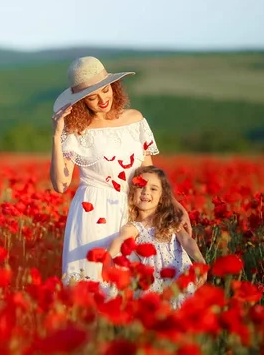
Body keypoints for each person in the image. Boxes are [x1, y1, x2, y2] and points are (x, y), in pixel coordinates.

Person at [50, 56, 192, 286]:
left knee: (140, 282)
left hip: (136, 208)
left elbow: (148, 172)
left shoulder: (135, 119)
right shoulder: (76, 131)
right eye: (92, 97)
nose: (102, 100)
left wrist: (173, 204)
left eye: (105, 90)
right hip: (94, 214)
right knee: (95, 281)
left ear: (113, 86)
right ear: (81, 101)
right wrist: (57, 136)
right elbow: (60, 185)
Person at [104, 165, 207, 307]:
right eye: (141, 187)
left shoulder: (170, 220)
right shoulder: (134, 227)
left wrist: (200, 261)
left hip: (180, 277)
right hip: (155, 284)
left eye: (153, 189)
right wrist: (108, 256)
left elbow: (187, 240)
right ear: (132, 193)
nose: (146, 192)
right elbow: (120, 240)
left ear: (161, 197)